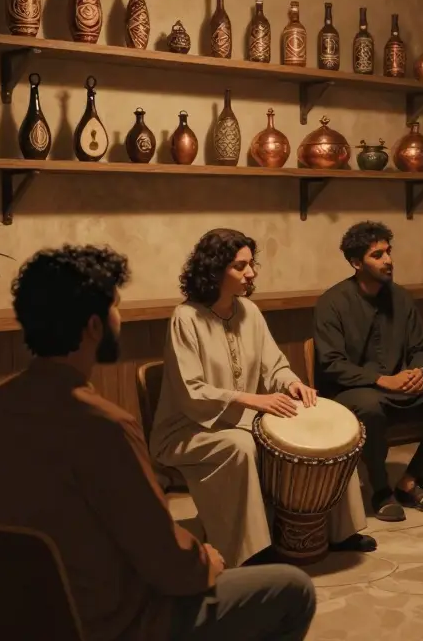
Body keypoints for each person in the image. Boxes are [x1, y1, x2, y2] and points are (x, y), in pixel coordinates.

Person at [0, 245, 316, 640]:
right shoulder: (102, 428)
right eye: (116, 306)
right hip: (106, 624)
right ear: (94, 326)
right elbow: (169, 563)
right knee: (292, 588)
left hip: (12, 622)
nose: (120, 317)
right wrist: (207, 560)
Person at [152, 229, 373, 568]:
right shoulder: (186, 319)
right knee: (243, 447)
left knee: (326, 433)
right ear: (214, 270)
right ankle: (250, 548)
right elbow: (191, 391)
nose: (251, 273)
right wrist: (253, 400)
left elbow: (275, 367)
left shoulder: (249, 312)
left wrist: (292, 384)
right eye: (240, 266)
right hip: (188, 429)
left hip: (243, 421)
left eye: (251, 264)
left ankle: (339, 531)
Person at [313, 221, 423, 522]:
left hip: (400, 389)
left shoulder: (401, 298)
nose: (388, 260)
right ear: (356, 262)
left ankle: (414, 481)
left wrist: (420, 372)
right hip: (352, 393)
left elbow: (421, 349)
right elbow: (332, 364)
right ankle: (379, 490)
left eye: (388, 252)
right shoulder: (332, 303)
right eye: (377, 255)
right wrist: (381, 380)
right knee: (370, 407)